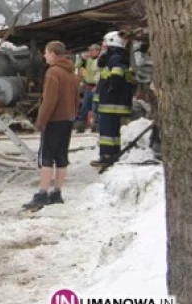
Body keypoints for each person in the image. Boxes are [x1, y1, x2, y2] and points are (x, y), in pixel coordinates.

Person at [22, 40, 80, 212]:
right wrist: (73, 115)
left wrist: (41, 121)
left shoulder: (53, 72)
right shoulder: (71, 72)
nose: (45, 56)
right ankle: (57, 193)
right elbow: (76, 99)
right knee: (61, 156)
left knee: (46, 157)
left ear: (53, 54)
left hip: (54, 120)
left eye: (46, 53)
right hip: (67, 119)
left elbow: (49, 100)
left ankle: (42, 194)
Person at [91, 30, 136, 167]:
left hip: (110, 103)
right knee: (113, 133)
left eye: (104, 44)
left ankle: (106, 156)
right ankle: (114, 154)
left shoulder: (115, 58)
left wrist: (111, 88)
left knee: (107, 132)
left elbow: (116, 75)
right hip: (112, 102)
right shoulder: (117, 57)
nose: (103, 47)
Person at [73, 43, 101, 133]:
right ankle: (80, 126)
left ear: (97, 51)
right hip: (88, 87)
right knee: (84, 107)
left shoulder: (101, 60)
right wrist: (81, 58)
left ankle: (96, 126)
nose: (90, 52)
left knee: (95, 107)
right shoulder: (87, 60)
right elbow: (76, 66)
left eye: (92, 50)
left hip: (97, 87)